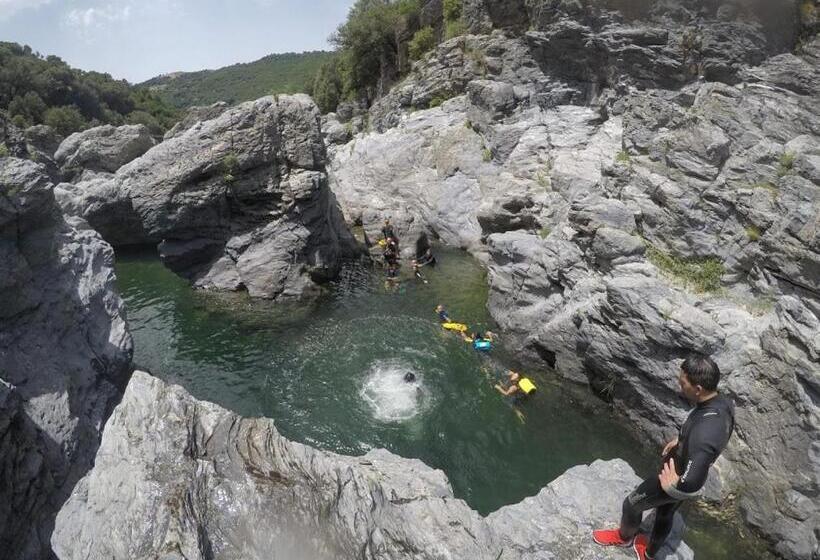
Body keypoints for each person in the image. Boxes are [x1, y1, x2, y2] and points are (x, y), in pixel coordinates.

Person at [592, 354, 735, 560]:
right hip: (685, 463)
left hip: (677, 477)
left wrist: (673, 487)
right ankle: (650, 554)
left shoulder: (704, 435)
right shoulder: (722, 404)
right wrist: (683, 439)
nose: (679, 387)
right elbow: (708, 435)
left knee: (631, 504)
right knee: (665, 512)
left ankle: (624, 537)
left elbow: (692, 481)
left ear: (698, 389)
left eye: (682, 383)